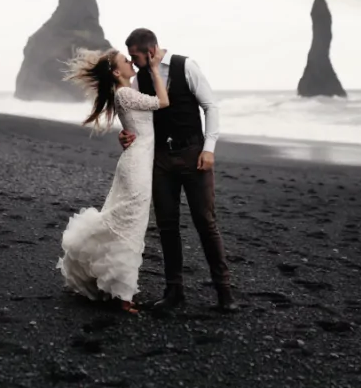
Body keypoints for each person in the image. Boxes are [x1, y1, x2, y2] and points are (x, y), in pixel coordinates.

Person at [119, 28, 238, 312]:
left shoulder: (186, 66)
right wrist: (125, 135)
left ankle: (225, 293)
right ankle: (174, 293)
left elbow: (210, 106)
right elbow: (136, 118)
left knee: (205, 223)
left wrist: (209, 148)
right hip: (160, 158)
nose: (133, 63)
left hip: (193, 154)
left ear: (149, 51)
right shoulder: (139, 79)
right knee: (167, 226)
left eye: (135, 56)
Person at [56, 47, 169, 313]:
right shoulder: (126, 92)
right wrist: (154, 67)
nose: (131, 62)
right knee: (131, 228)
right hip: (137, 167)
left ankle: (118, 289)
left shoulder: (125, 92)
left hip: (136, 163)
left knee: (127, 224)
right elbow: (163, 102)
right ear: (117, 72)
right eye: (125, 61)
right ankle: (123, 295)